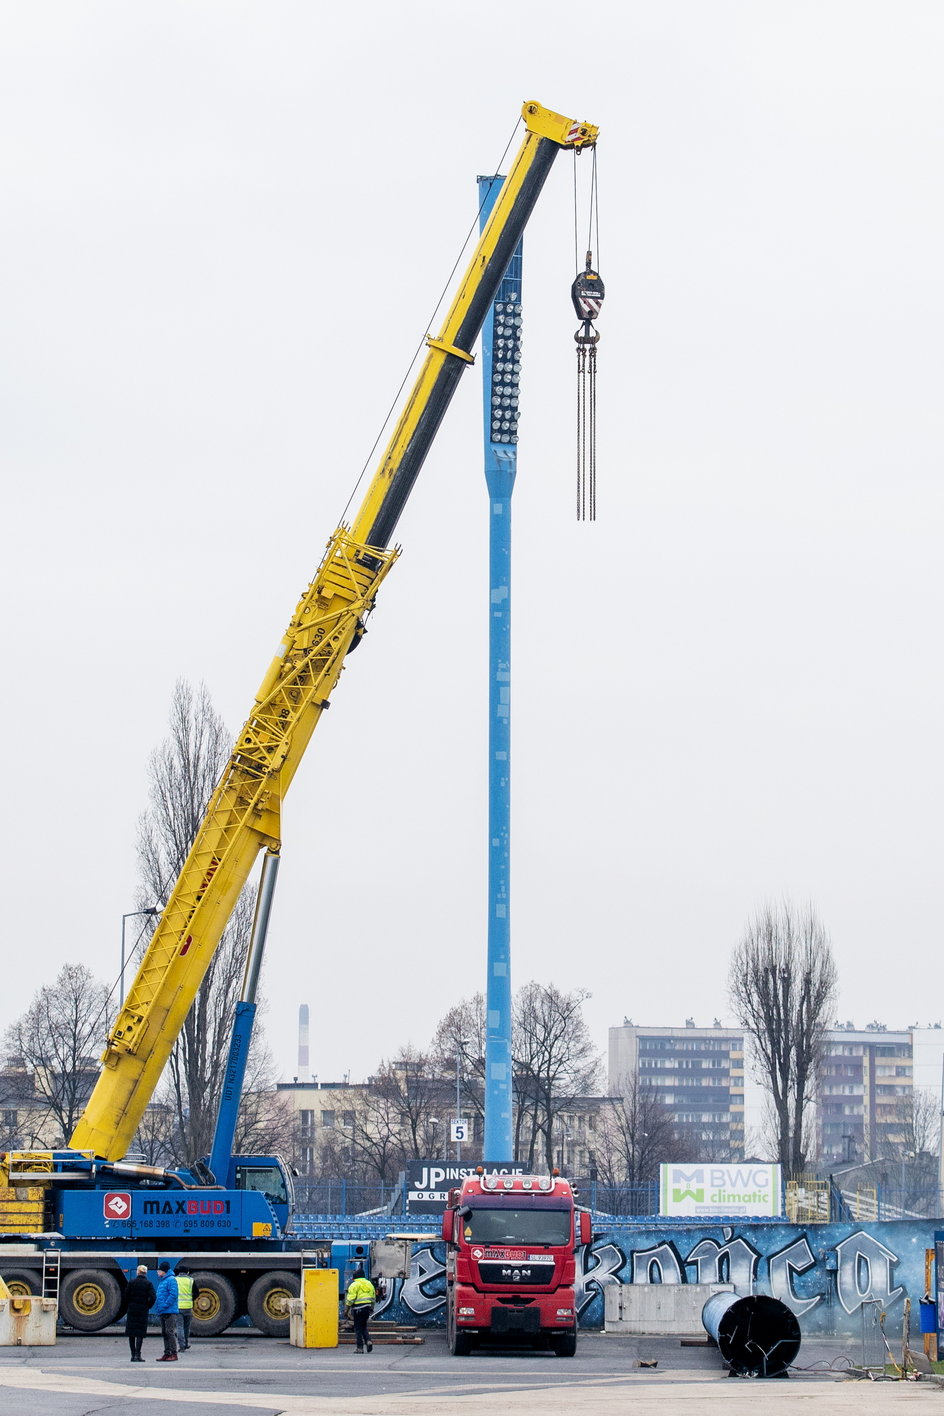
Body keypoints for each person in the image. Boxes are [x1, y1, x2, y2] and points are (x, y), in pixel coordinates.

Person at [125, 1264, 156, 1362]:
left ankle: (132, 1355)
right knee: (140, 1333)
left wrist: (129, 1305)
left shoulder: (131, 1282)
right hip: (143, 1310)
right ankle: (138, 1355)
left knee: (131, 1333)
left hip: (132, 1309)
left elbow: (125, 1295)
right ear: (145, 1273)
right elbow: (153, 1297)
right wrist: (148, 1305)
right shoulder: (148, 1283)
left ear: (137, 1272)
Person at [344, 1265, 376, 1354]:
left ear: (354, 1278)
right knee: (364, 1325)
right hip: (367, 1308)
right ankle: (368, 1340)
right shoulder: (369, 1284)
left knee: (358, 1328)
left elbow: (350, 1299)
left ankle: (360, 1348)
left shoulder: (354, 1285)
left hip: (358, 1309)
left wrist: (346, 1310)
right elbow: (373, 1298)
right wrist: (371, 1308)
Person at [152, 1260, 179, 1361]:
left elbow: (173, 1295)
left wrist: (164, 1305)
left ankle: (173, 1353)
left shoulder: (171, 1280)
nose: (157, 1272)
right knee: (165, 1333)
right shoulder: (163, 1280)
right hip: (163, 1310)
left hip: (169, 1311)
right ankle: (167, 1353)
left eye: (158, 1270)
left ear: (164, 1271)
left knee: (170, 1332)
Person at [176, 1265, 194, 1350]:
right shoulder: (191, 1280)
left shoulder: (175, 1280)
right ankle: (186, 1343)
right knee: (186, 1327)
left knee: (179, 1327)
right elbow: (196, 1293)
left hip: (178, 1307)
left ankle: (181, 1346)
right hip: (188, 1307)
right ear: (187, 1272)